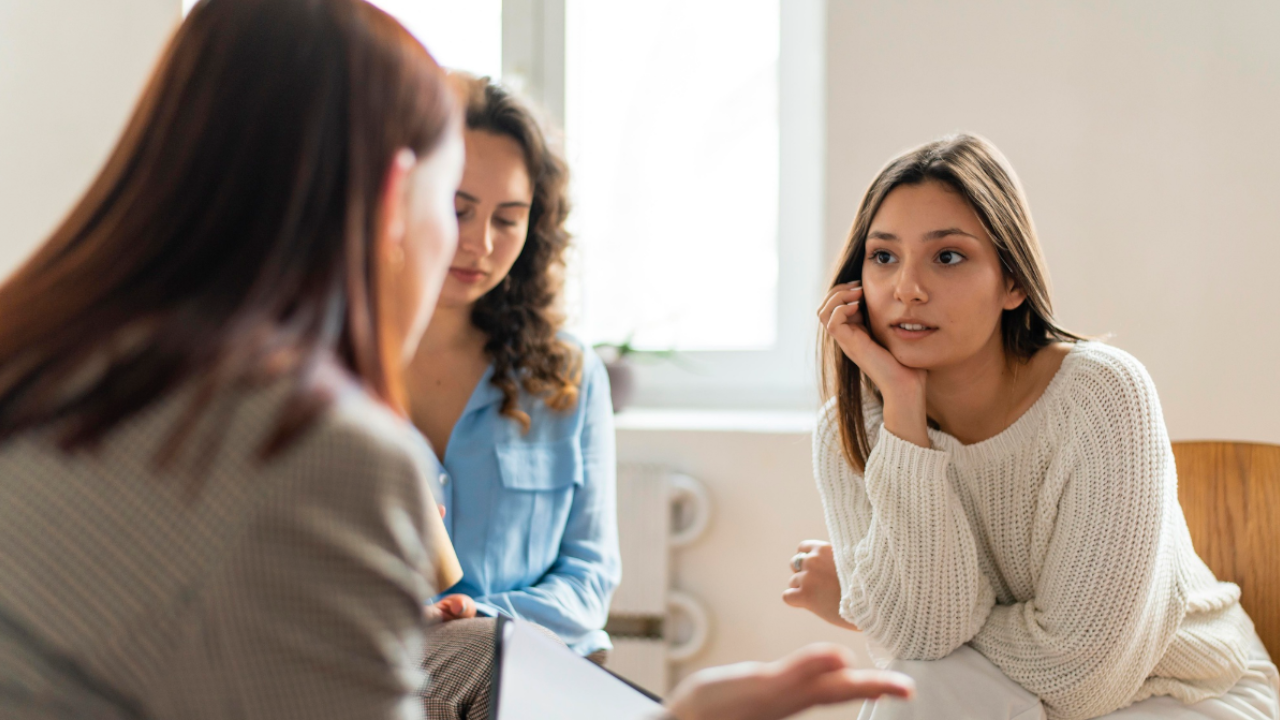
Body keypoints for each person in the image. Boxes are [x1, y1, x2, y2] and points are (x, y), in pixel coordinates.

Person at [0, 1, 910, 718]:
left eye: (506, 216)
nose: (467, 241)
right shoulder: (312, 443)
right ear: (397, 197)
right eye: (452, 199)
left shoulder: (47, 360)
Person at [783, 134, 1279, 720]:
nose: (906, 289)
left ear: (1012, 283)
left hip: (1185, 692)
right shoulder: (854, 429)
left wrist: (861, 603)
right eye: (884, 256)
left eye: (947, 257)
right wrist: (903, 412)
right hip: (1009, 696)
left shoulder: (1101, 394)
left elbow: (1080, 679)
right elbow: (916, 648)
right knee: (915, 689)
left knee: (926, 680)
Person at [405, 74, 619, 662]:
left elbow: (589, 579)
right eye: (458, 209)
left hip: (532, 678)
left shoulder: (568, 375)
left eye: (507, 219)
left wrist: (481, 623)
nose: (479, 243)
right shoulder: (337, 366)